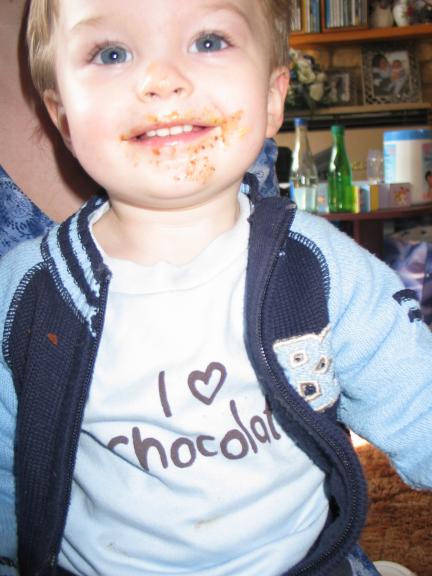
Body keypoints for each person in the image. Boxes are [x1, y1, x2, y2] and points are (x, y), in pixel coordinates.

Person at [0, 1, 431, 575]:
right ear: (64, 119)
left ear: (273, 97)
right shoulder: (26, 293)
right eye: (111, 53)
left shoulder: (320, 265)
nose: (162, 80)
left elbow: (417, 401)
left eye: (208, 41)